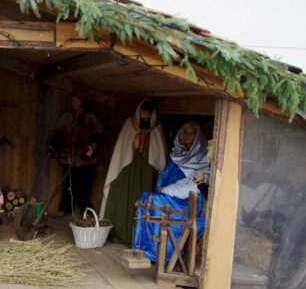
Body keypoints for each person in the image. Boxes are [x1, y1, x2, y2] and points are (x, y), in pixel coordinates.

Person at [131, 121, 210, 262]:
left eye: (192, 133)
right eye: (185, 133)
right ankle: (142, 248)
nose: (188, 136)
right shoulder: (177, 156)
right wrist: (161, 188)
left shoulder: (204, 159)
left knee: (155, 200)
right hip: (171, 195)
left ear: (197, 136)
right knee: (146, 197)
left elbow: (194, 185)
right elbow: (165, 176)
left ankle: (157, 253)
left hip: (187, 201)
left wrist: (167, 190)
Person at [101, 100, 167, 244]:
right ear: (138, 111)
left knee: (143, 201)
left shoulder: (156, 129)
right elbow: (121, 152)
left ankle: (139, 238)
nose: (146, 116)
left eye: (149, 113)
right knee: (124, 199)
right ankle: (120, 233)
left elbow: (160, 157)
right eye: (143, 112)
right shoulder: (129, 125)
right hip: (127, 171)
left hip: (146, 174)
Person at [50, 91, 103, 217]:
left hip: (85, 159)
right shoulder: (66, 117)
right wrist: (52, 147)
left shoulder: (90, 117)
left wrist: (92, 146)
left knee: (85, 186)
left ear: (82, 102)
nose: (74, 102)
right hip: (68, 156)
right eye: (73, 100)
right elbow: (58, 134)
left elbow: (98, 132)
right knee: (67, 184)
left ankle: (86, 210)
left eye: (76, 100)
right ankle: (65, 208)